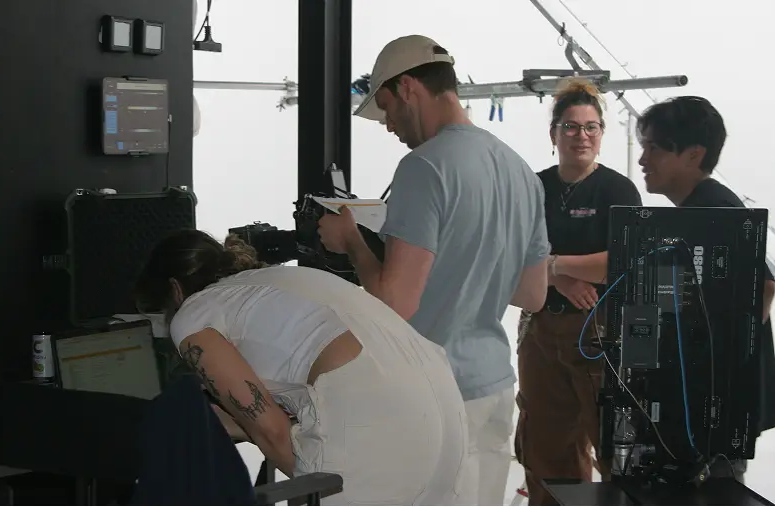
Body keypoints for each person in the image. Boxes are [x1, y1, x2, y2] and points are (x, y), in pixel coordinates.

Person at [316, 34, 551, 505]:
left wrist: (352, 243)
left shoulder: (424, 168)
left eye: (384, 107)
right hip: (493, 389)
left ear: (408, 88)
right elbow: (532, 294)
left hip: (435, 397)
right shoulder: (520, 170)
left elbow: (395, 306)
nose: (387, 126)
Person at [134, 230, 470, 505]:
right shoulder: (277, 281)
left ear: (175, 291)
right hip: (444, 415)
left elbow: (272, 431)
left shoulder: (192, 314)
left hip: (374, 429)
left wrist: (309, 482)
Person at [513, 79, 643, 505]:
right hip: (539, 329)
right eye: (570, 127)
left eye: (591, 127)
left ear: (602, 134)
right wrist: (560, 278)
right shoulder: (534, 188)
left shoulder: (617, 190)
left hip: (599, 335)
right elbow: (510, 256)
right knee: (545, 448)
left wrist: (553, 265)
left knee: (613, 447)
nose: (581, 136)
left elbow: (624, 260)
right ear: (554, 134)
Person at [637, 95, 775, 481]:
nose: (642, 159)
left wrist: (713, 355)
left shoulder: (717, 209)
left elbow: (763, 285)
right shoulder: (694, 210)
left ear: (693, 154)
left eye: (654, 147)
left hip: (716, 415)